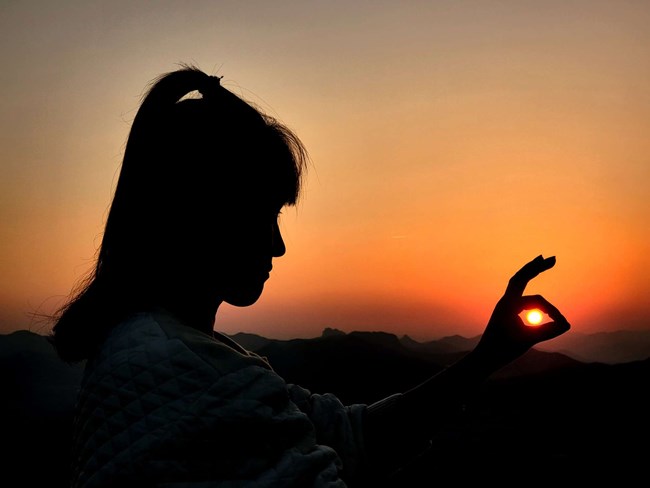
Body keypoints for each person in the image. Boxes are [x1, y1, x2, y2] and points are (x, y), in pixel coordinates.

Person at [49, 65, 570, 488]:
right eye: (262, 214)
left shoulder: (171, 354)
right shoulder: (180, 373)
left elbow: (351, 438)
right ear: (197, 212)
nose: (277, 244)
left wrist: (486, 357)